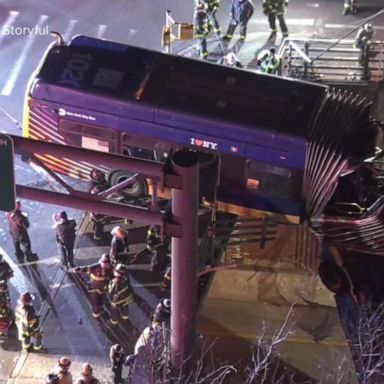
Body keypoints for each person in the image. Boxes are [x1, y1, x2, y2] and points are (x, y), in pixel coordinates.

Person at [72, 254, 113, 320]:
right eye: (104, 263)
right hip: (94, 288)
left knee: (101, 300)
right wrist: (78, 269)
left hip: (104, 288)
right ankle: (96, 317)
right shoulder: (95, 267)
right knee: (95, 303)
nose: (105, 265)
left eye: (107, 263)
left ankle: (101, 308)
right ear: (101, 262)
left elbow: (112, 277)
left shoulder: (110, 268)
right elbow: (86, 268)